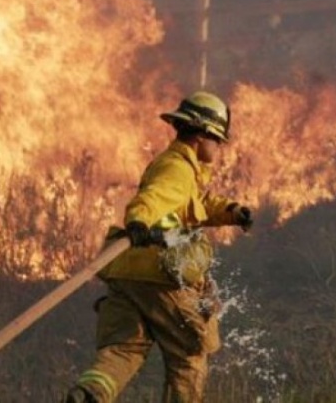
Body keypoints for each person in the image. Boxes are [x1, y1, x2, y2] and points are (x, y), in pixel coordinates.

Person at [64, 91, 254, 403]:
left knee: (125, 349)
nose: (219, 147)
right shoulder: (177, 169)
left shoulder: (178, 167)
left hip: (128, 274)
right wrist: (139, 220)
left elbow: (194, 204)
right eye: (217, 139)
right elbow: (154, 197)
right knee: (190, 352)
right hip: (159, 275)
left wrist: (230, 211)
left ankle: (89, 394)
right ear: (201, 135)